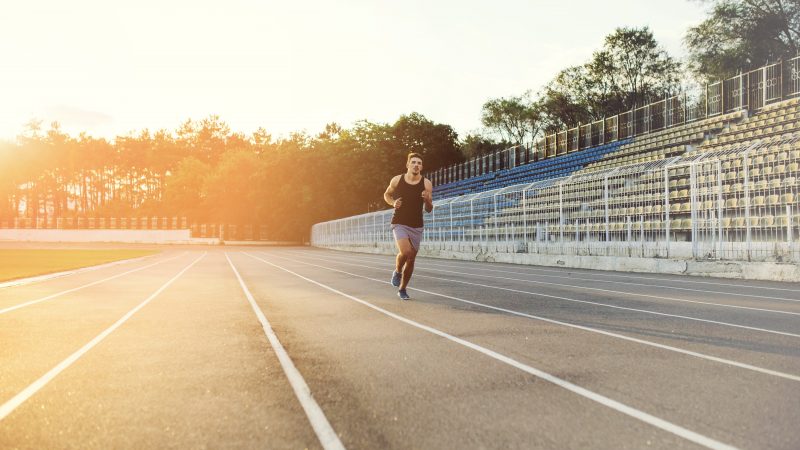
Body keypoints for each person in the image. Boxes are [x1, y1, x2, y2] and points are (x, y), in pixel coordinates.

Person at [384, 152, 433, 300]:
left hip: (417, 224)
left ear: (422, 167)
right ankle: (398, 271)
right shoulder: (397, 180)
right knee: (405, 252)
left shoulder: (426, 184)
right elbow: (387, 195)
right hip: (399, 221)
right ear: (407, 164)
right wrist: (393, 203)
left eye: (419, 163)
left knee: (411, 258)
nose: (416, 165)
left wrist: (427, 200)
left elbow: (429, 209)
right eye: (413, 162)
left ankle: (402, 289)